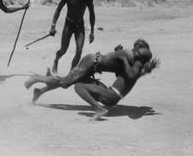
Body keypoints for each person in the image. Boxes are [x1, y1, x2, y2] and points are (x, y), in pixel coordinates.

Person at [25, 39, 160, 120]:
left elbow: (125, 74)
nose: (135, 54)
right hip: (91, 62)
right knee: (66, 82)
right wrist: (145, 68)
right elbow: (130, 72)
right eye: (137, 52)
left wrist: (144, 69)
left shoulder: (130, 57)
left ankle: (40, 91)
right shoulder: (128, 56)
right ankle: (37, 78)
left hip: (94, 63)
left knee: (67, 81)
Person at [49, 0, 95, 74]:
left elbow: (92, 13)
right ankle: (56, 61)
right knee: (63, 50)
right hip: (68, 25)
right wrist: (53, 26)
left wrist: (92, 32)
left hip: (80, 25)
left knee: (79, 51)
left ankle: (71, 73)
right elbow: (58, 9)